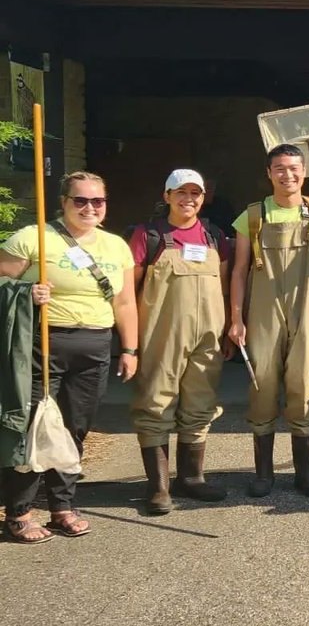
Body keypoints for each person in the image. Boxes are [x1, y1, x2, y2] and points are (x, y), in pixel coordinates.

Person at [0, 171, 137, 542]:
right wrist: (26, 291)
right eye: (80, 200)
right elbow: (1, 283)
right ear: (63, 202)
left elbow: (124, 301)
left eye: (98, 201)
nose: (89, 207)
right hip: (42, 345)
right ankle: (19, 512)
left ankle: (62, 505)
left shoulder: (115, 246)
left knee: (75, 428)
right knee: (32, 427)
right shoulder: (33, 239)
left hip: (95, 346)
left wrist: (129, 348)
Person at [227, 143, 309, 499]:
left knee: (303, 384)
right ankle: (263, 474)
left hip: (307, 309)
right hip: (263, 311)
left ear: (304, 172)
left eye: (294, 168)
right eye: (280, 168)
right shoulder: (252, 216)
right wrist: (236, 318)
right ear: (269, 173)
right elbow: (237, 271)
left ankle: (305, 473)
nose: (288, 174)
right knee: (262, 382)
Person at [127, 169, 230, 514]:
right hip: (161, 335)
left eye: (195, 193)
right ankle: (158, 488)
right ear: (167, 195)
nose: (189, 199)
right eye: (181, 193)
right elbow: (130, 290)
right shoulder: (149, 235)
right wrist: (129, 341)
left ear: (204, 197)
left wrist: (230, 327)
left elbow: (226, 286)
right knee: (156, 403)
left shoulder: (215, 236)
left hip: (208, 336)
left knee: (200, 403)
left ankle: (192, 479)